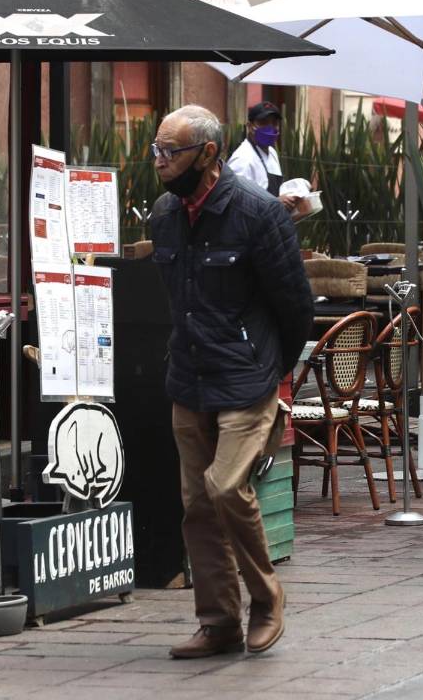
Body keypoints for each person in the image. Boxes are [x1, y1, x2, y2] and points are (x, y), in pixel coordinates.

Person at [149, 105, 312, 659]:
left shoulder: (258, 214)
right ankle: (219, 622)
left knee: (224, 487)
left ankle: (266, 599)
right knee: (197, 504)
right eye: (156, 151)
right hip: (189, 375)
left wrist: (269, 369)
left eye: (171, 152)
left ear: (209, 154)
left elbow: (295, 306)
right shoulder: (164, 215)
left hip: (247, 377)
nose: (160, 162)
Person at [227, 101, 299, 211]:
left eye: (274, 123)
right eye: (263, 122)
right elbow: (235, 202)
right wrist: (275, 203)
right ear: (250, 126)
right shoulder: (243, 159)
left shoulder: (272, 153)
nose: (270, 128)